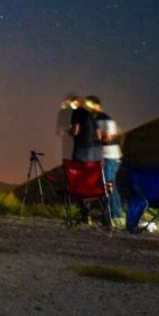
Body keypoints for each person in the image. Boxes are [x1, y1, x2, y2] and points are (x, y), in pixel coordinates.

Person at [88, 96, 123, 224]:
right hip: (106, 156)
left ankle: (114, 215)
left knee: (107, 185)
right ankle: (114, 214)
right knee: (109, 185)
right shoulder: (95, 120)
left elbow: (108, 138)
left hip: (110, 157)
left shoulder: (106, 120)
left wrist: (94, 136)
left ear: (99, 106)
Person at [57, 95, 83, 160]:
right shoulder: (65, 114)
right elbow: (60, 131)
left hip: (77, 146)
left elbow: (60, 131)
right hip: (72, 145)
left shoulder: (78, 114)